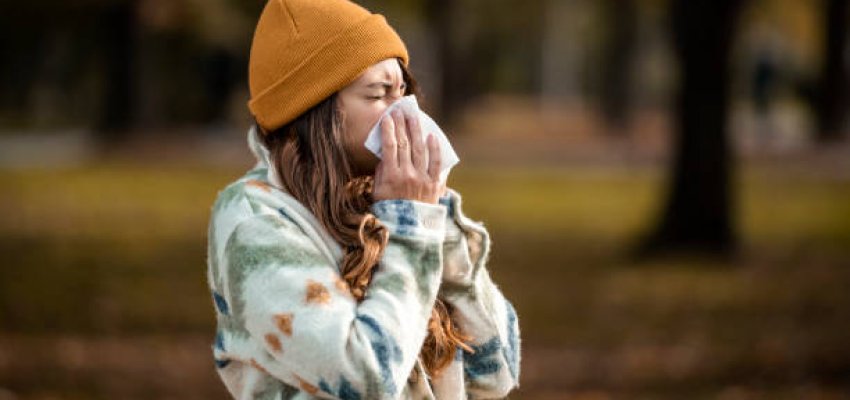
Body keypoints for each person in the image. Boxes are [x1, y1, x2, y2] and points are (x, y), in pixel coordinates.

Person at [206, 0, 520, 398]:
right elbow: (365, 379)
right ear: (314, 110)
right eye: (378, 94)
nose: (405, 112)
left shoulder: (385, 199)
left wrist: (439, 221)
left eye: (403, 91)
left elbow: (494, 374)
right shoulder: (254, 220)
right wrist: (411, 227)